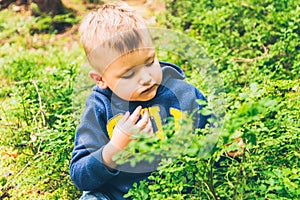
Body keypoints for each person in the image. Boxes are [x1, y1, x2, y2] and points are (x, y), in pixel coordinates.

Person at [70, 2, 210, 199]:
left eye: (149, 61)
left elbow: (212, 131)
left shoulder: (183, 94)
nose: (146, 78)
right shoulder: (99, 108)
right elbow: (80, 175)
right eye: (128, 74)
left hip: (178, 191)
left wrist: (229, 143)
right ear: (101, 79)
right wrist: (114, 148)